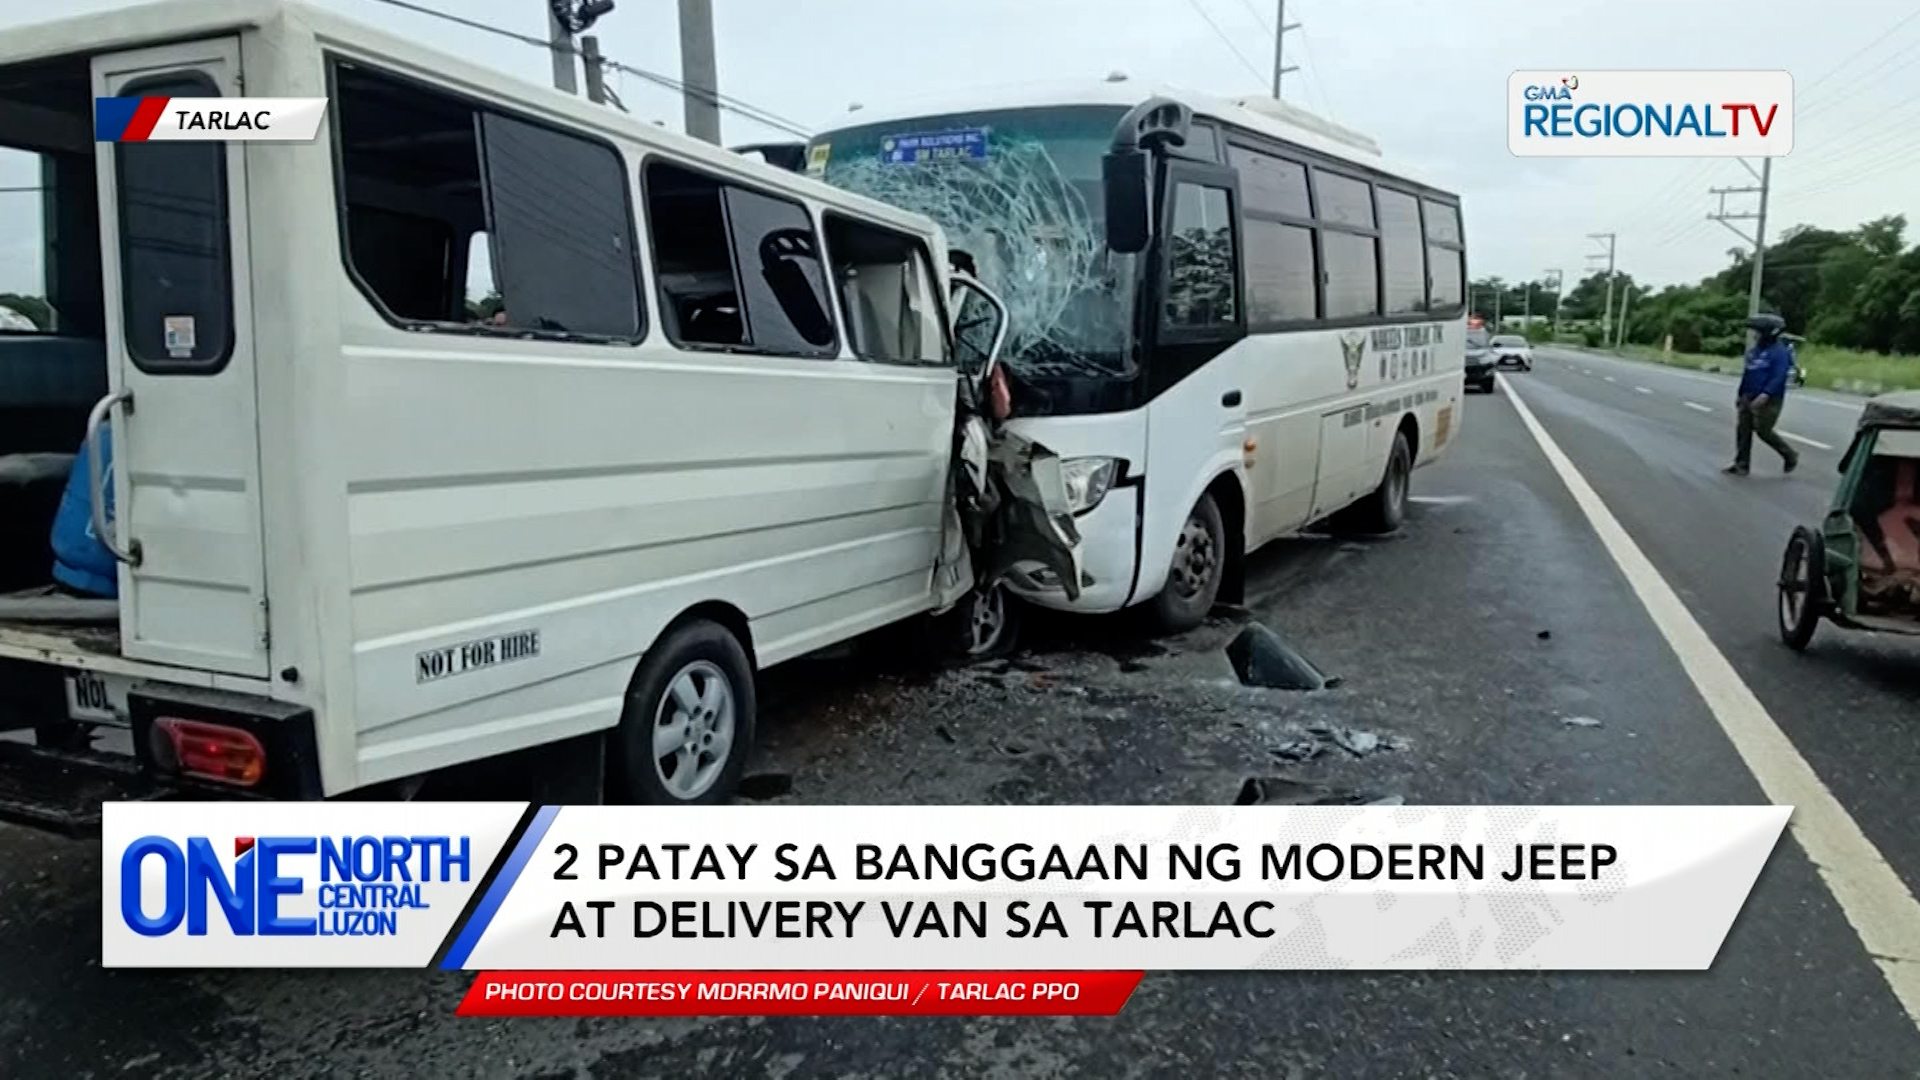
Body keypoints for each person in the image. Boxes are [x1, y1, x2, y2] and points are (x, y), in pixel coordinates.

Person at [1726, 313, 1798, 477]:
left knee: (1763, 430)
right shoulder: (1755, 351)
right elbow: (1748, 373)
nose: (1755, 334)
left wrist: (1765, 394)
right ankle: (1741, 464)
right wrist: (1740, 394)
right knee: (1743, 430)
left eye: (1758, 331)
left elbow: (1779, 376)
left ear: (1768, 332)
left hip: (1769, 399)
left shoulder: (1780, 353)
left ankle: (1789, 454)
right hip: (1748, 395)